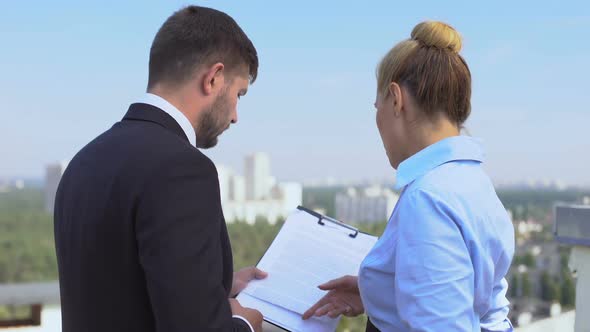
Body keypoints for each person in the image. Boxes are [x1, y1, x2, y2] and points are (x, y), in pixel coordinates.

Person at [54, 6, 266, 332]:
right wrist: (244, 323)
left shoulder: (83, 162)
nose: (236, 115)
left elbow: (119, 289)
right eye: (238, 94)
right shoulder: (184, 171)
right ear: (213, 78)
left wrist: (216, 284)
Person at [303, 21, 515, 332]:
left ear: (396, 99)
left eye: (378, 106)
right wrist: (381, 293)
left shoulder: (429, 198)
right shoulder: (472, 182)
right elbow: (484, 306)